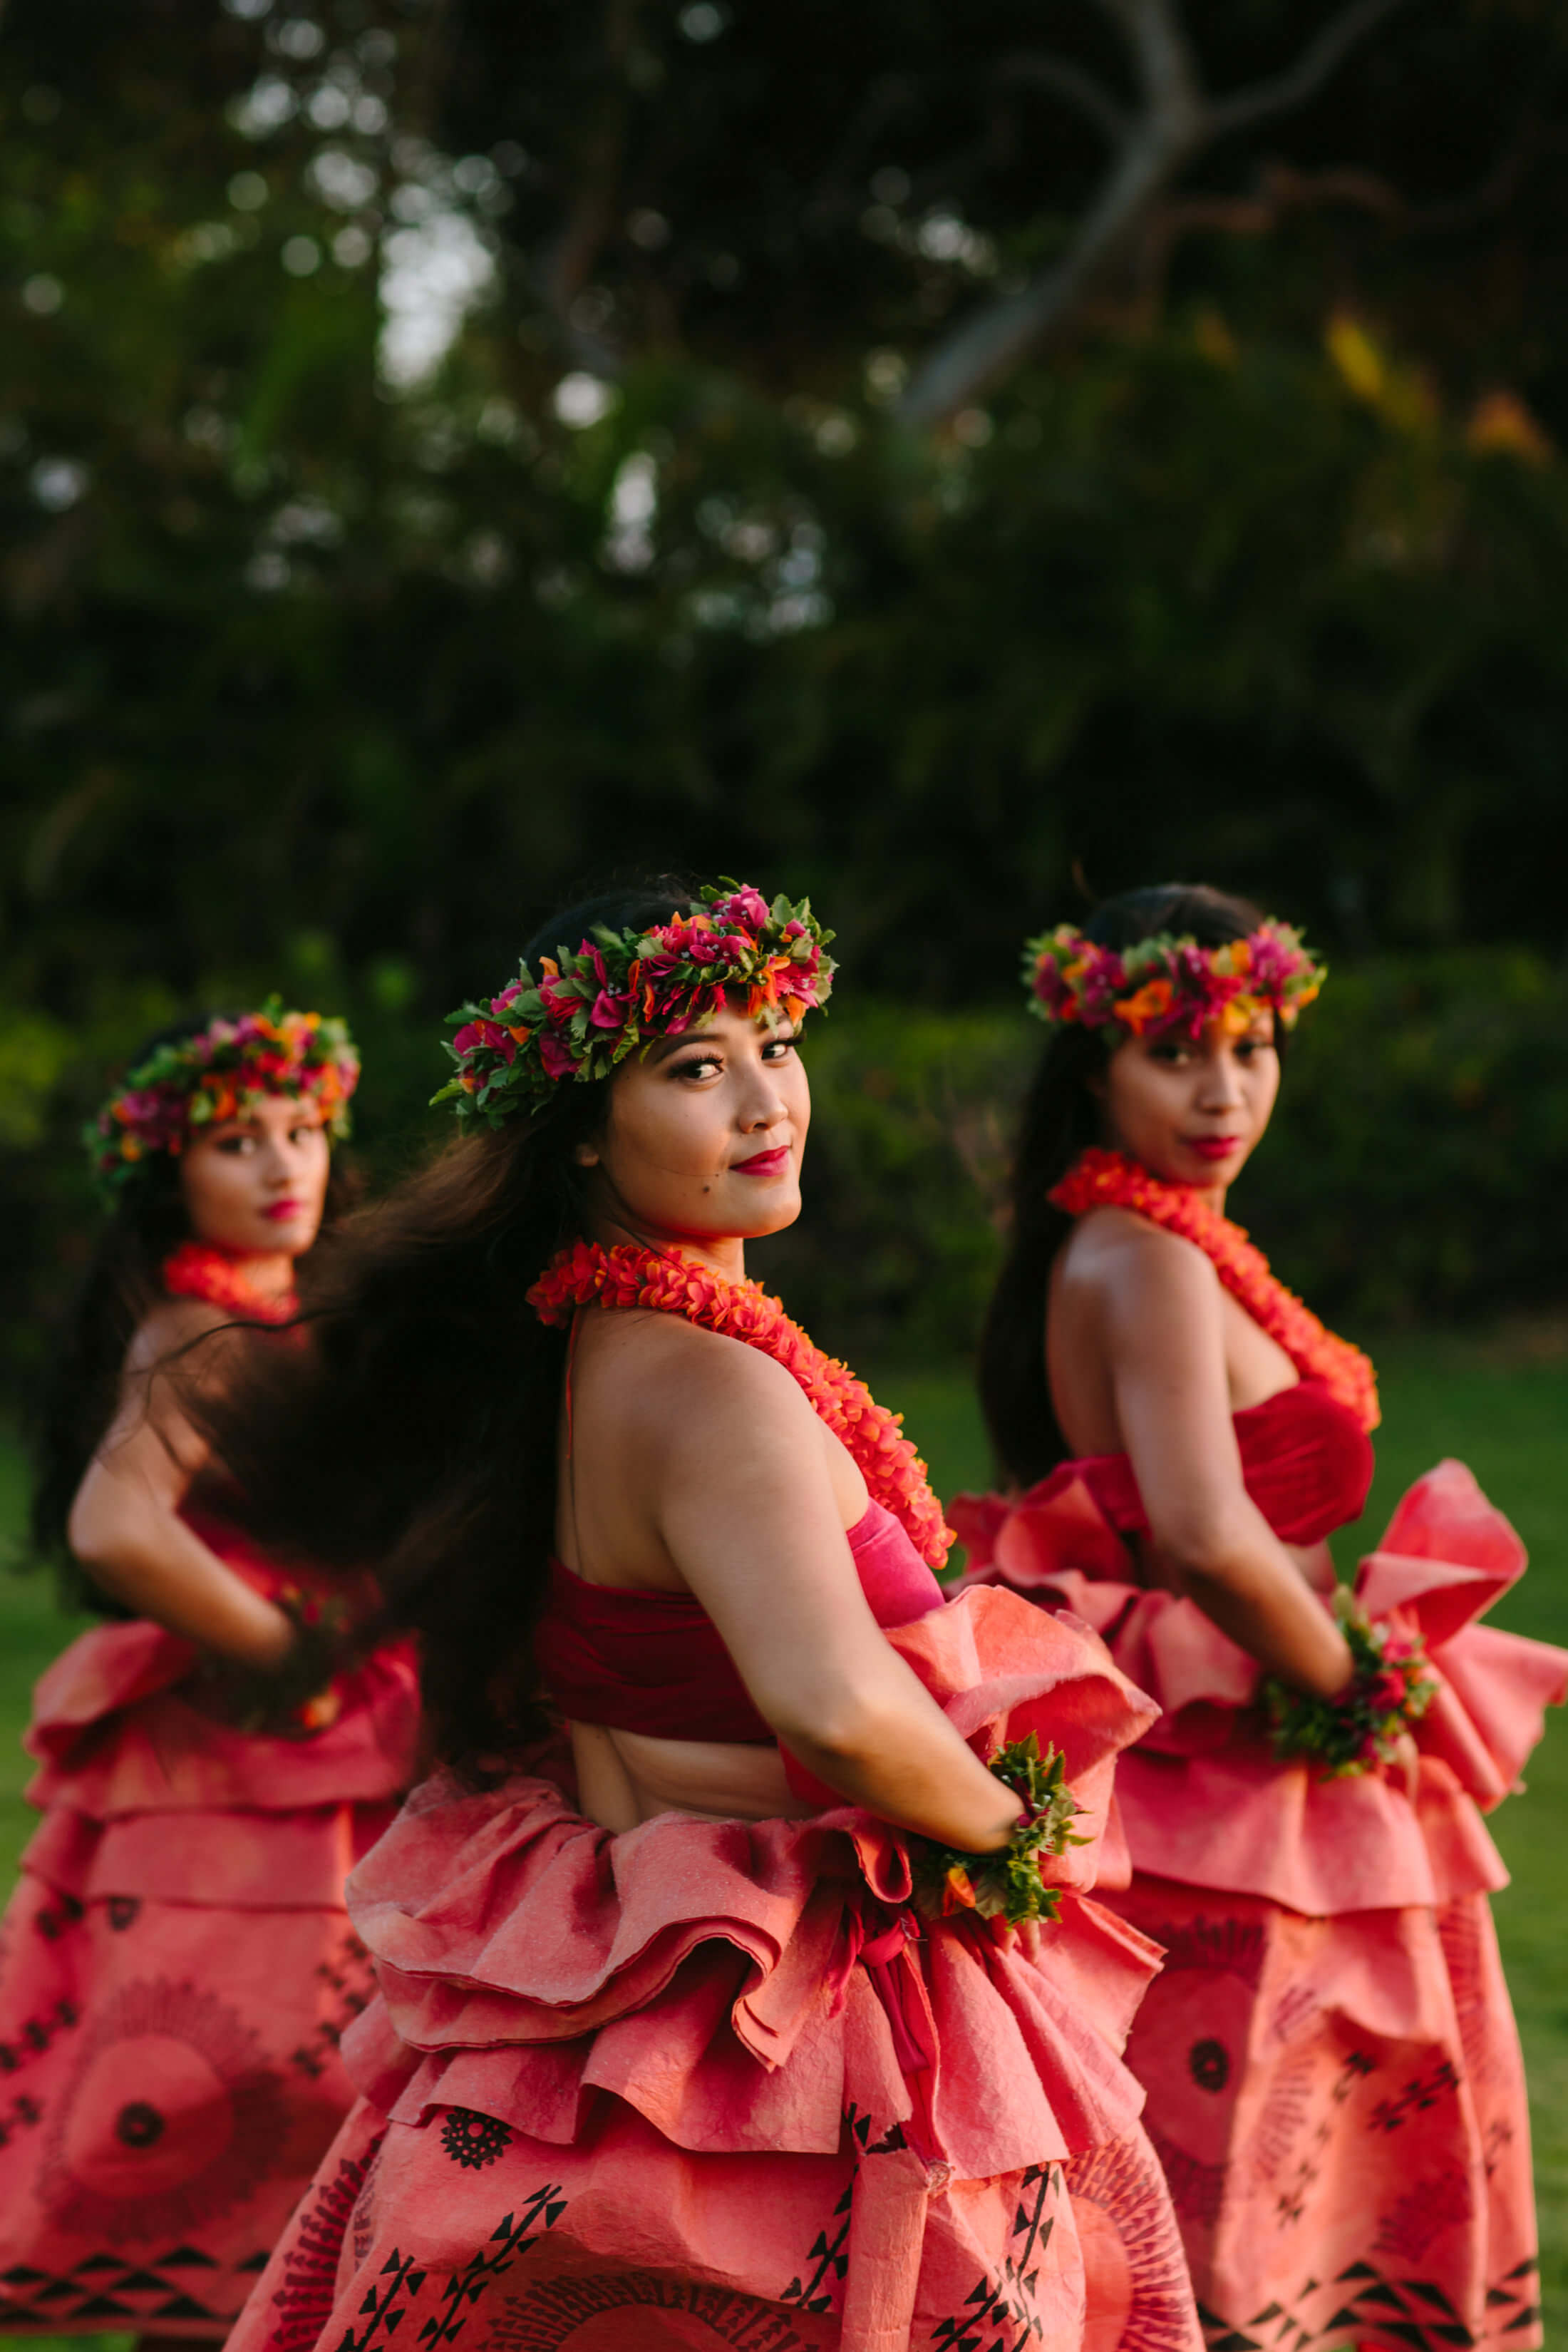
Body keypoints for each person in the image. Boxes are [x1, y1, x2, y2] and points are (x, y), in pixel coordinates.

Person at [200, 880, 1201, 2352]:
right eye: (691, 1066)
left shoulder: (599, 1339)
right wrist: (1015, 1837)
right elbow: (835, 1710)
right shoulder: (702, 1374)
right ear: (583, 1128)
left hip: (637, 1952)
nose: (761, 1099)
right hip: (770, 2000)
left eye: (775, 1041)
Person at [954, 885, 1565, 2352]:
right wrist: (1367, 1691)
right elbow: (1208, 1536)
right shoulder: (1146, 1254)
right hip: (1226, 1761)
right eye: (1176, 1052)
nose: (1222, 1088)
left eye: (1251, 1045)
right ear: (1093, 1065)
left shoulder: (1151, 1238)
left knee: (1253, 2172)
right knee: (1228, 2182)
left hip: (1223, 1740)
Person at [0, 1004, 421, 2346]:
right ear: (166, 1174)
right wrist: (286, 1640)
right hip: (259, 1755)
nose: (283, 1166)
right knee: (252, 2068)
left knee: (285, 2080)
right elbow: (116, 1524)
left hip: (326, 1738)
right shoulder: (197, 1331)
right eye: (237, 1142)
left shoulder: (267, 1314)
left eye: (302, 1133)